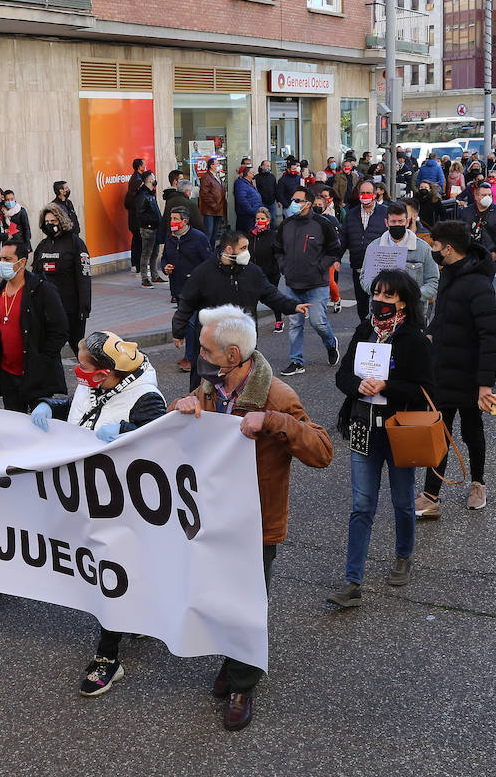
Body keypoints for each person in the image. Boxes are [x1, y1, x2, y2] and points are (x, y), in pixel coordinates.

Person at [172, 304, 333, 730]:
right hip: (213, 518)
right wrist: (184, 407)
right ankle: (233, 660)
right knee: (218, 597)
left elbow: (322, 452)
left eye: (206, 350)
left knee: (246, 604)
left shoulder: (276, 395)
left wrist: (274, 421)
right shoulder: (212, 387)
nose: (198, 355)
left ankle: (244, 681)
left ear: (231, 356)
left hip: (256, 525)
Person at [27, 330, 167, 698]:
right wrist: (47, 404)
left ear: (105, 372)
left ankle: (108, 658)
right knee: (116, 573)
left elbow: (162, 440)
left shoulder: (146, 398)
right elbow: (78, 408)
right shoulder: (98, 387)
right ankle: (139, 614)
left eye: (84, 365)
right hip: (89, 496)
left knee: (113, 574)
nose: (78, 370)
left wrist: (126, 430)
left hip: (123, 506)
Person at [328, 269, 434, 609]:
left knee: (402, 501)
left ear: (403, 300)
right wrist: (357, 385)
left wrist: (388, 386)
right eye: (377, 294)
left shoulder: (414, 339)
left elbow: (426, 391)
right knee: (362, 505)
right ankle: (352, 581)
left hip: (399, 430)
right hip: (362, 426)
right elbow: (342, 374)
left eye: (388, 296)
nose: (380, 301)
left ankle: (404, 555)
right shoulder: (363, 331)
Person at [414, 221, 496, 517]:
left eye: (435, 246)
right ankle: (430, 495)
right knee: (438, 433)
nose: (433, 251)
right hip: (442, 370)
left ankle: (478, 483)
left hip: (469, 375)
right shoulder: (448, 274)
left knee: (472, 431)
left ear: (448, 248)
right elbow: (443, 316)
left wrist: (485, 385)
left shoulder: (478, 284)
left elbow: (492, 336)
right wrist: (427, 335)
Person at [172, 229, 308, 388]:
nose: (247, 252)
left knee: (243, 386)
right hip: (212, 343)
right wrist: (178, 331)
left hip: (244, 342)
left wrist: (293, 305)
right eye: (243, 248)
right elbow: (187, 303)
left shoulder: (253, 272)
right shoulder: (203, 272)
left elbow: (271, 294)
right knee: (203, 386)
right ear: (229, 249)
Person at [0, 237, 68, 412]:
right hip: (8, 377)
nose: (2, 263)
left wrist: (42, 360)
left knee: (41, 430)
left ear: (22, 262)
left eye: (7, 259)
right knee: (15, 430)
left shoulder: (42, 290)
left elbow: (60, 330)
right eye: (0, 258)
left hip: (36, 376)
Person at [276, 187, 341, 376]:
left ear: (308, 204)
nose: (293, 203)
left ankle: (331, 344)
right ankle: (297, 361)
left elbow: (334, 249)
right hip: (292, 283)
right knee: (295, 324)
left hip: (317, 284)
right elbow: (278, 249)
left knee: (317, 322)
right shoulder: (286, 224)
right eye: (293, 199)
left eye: (298, 200)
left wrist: (321, 267)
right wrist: (284, 267)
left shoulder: (322, 224)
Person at [360, 201, 438, 317]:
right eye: (393, 221)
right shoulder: (374, 247)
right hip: (380, 312)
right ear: (387, 222)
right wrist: (381, 294)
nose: (397, 225)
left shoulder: (423, 248)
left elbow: (433, 281)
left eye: (400, 221)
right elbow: (364, 278)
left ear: (407, 222)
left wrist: (413, 295)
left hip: (413, 313)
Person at [33, 203, 92, 353]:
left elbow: (84, 275)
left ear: (61, 221)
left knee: (78, 347)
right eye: (47, 222)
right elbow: (35, 276)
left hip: (71, 307)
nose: (49, 225)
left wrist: (84, 304)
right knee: (49, 349)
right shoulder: (42, 246)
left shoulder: (75, 243)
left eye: (53, 221)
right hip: (49, 308)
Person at [160, 211, 212, 370]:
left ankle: (190, 357)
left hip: (195, 288)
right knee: (190, 322)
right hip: (177, 286)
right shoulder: (170, 236)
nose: (172, 222)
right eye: (171, 219)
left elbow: (209, 261)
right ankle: (197, 353)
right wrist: (165, 267)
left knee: (190, 322)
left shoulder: (198, 238)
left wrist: (198, 278)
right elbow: (164, 258)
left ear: (185, 221)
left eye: (175, 219)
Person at [340, 180, 388, 321]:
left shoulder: (385, 212)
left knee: (380, 304)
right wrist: (336, 258)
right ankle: (365, 332)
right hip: (359, 267)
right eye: (362, 193)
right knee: (362, 306)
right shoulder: (351, 214)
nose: (365, 195)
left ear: (374, 194)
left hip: (380, 267)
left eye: (368, 193)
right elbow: (343, 238)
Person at [459, 181, 496, 266]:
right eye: (483, 195)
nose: (487, 197)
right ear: (476, 196)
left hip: (490, 256)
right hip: (469, 256)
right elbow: (459, 232)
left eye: (489, 195)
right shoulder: (466, 212)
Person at [250, 207, 285, 333]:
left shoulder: (273, 236)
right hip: (254, 274)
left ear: (268, 221)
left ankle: (278, 320)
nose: (260, 221)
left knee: (272, 297)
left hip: (271, 273)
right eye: (258, 219)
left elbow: (279, 253)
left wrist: (280, 267)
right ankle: (252, 325)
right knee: (251, 300)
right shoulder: (251, 236)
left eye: (262, 219)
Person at [134, 171, 164, 287]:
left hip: (155, 228)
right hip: (148, 228)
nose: (155, 179)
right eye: (154, 177)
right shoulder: (143, 195)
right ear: (150, 179)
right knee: (146, 253)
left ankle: (154, 275)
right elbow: (140, 214)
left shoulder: (150, 194)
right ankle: (145, 278)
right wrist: (152, 221)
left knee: (155, 252)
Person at [199, 157, 229, 246]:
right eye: (217, 164)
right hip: (210, 210)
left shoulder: (217, 176)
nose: (218, 165)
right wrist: (214, 205)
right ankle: (206, 252)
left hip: (219, 209)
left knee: (215, 234)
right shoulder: (206, 177)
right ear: (211, 166)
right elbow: (204, 194)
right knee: (209, 233)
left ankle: (211, 252)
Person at [125, 158, 147, 273]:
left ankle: (136, 264)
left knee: (137, 240)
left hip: (135, 217)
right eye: (144, 164)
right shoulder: (137, 181)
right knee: (138, 241)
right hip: (136, 218)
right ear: (139, 166)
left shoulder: (136, 178)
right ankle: (136, 264)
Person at [233, 163, 262, 234]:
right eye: (252, 173)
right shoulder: (241, 184)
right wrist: (251, 210)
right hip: (246, 215)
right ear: (248, 174)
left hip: (252, 214)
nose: (254, 174)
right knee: (246, 234)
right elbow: (242, 199)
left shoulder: (249, 183)